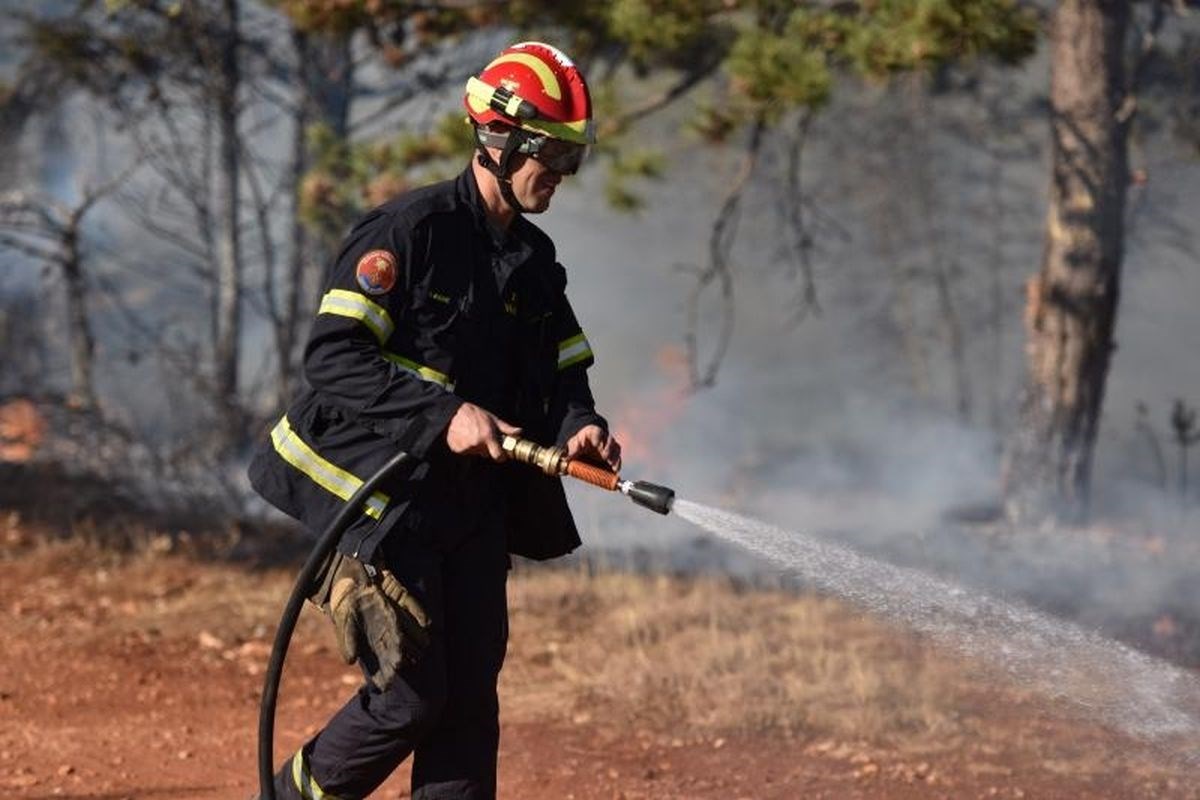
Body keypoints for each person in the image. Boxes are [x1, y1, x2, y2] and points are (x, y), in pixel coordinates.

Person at [248, 41, 621, 800]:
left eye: (571, 156)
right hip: (382, 500)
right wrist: (442, 413)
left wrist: (580, 422)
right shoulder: (408, 232)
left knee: (469, 702)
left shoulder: (535, 262)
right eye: (549, 151)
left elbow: (562, 372)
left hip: (472, 509)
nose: (559, 172)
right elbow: (334, 357)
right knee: (411, 701)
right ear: (499, 137)